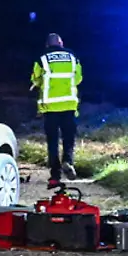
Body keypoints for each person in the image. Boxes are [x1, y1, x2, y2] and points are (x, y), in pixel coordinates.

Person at [31, 32, 83, 184]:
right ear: (61, 43)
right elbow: (78, 78)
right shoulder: (72, 57)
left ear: (47, 45)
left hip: (50, 107)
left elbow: (35, 79)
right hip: (69, 105)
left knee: (52, 140)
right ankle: (68, 161)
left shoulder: (42, 58)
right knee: (69, 137)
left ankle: (55, 173)